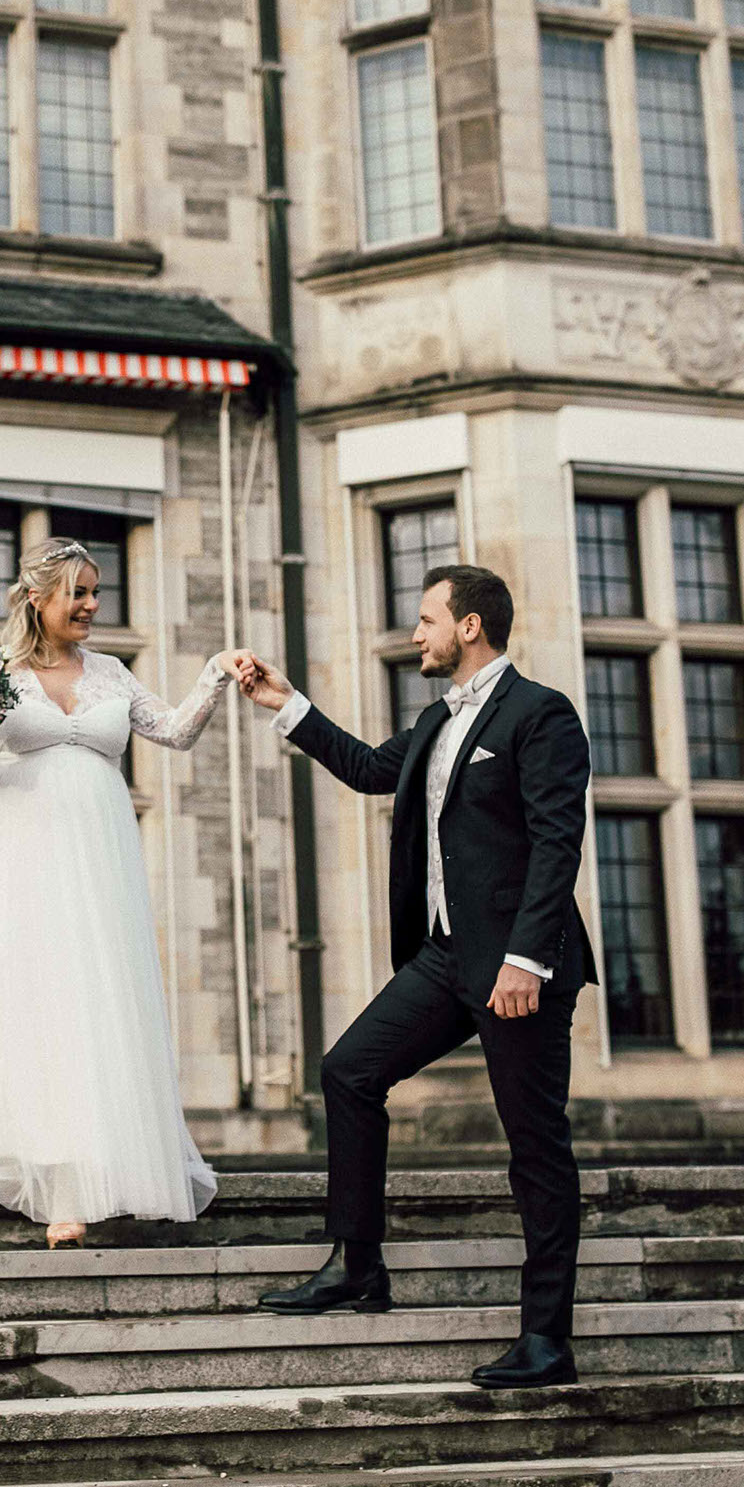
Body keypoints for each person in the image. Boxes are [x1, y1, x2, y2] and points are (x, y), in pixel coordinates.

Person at [232, 563, 596, 1390]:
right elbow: (366, 767)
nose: (416, 635)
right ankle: (357, 1265)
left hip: (517, 964)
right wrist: (285, 704)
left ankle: (548, 1340)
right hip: (444, 954)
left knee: (535, 1143)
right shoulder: (437, 721)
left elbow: (556, 843)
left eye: (428, 620)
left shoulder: (542, 715)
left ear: (470, 627)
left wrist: (526, 959)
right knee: (350, 1071)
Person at [0, 536, 240, 1249]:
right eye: (77, 593)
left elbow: (173, 732)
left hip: (101, 854)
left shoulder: (112, 673)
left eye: (96, 593)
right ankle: (59, 1190)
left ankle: (112, 1169)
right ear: (37, 598)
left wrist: (216, 675)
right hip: (19, 848)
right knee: (35, 995)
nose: (91, 606)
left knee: (97, 995)